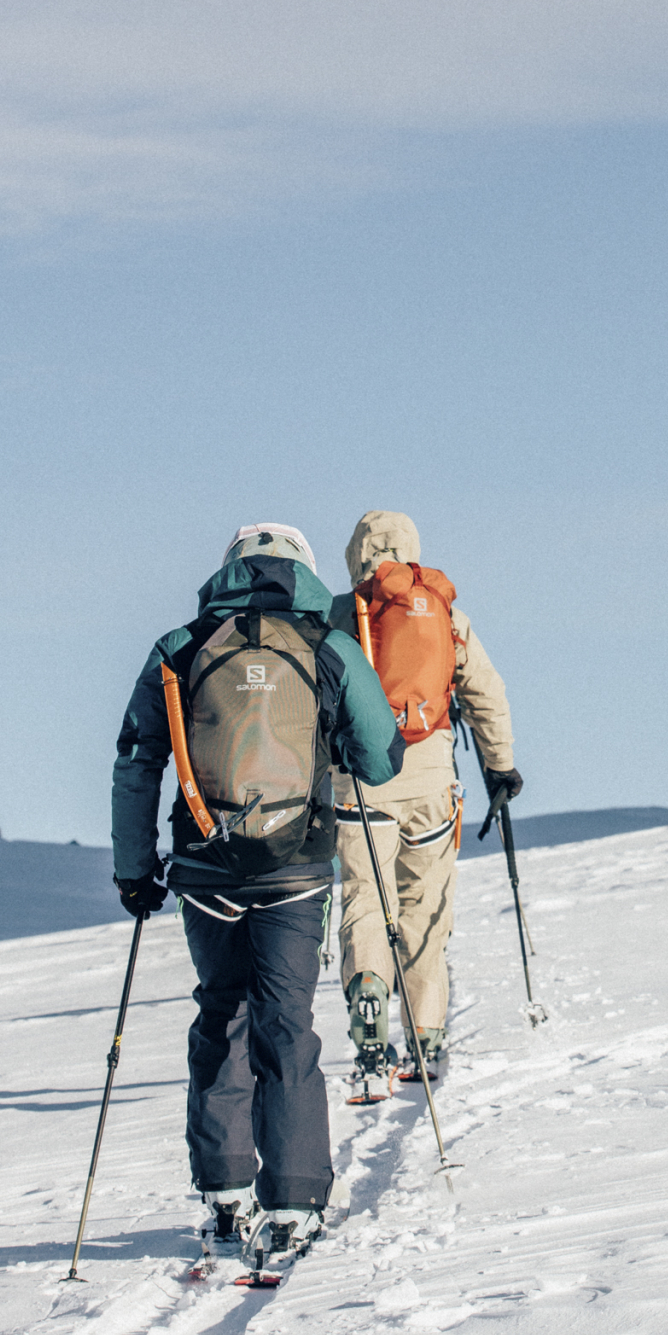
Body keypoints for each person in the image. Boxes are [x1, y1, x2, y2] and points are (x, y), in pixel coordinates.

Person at [111, 523, 403, 1259]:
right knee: (285, 1024)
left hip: (205, 869)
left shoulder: (178, 649)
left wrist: (133, 870)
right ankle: (296, 1198)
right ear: (302, 572)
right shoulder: (325, 645)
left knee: (221, 1013)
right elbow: (380, 761)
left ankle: (222, 1192)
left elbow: (136, 763)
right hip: (295, 868)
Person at [330, 510, 521, 1095]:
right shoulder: (445, 613)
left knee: (367, 897)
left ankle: (368, 998)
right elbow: (486, 692)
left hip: (361, 783)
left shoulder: (339, 614)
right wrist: (501, 766)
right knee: (425, 906)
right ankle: (427, 1034)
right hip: (431, 780)